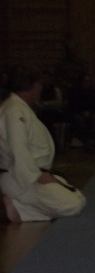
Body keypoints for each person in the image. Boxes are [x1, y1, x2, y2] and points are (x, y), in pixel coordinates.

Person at [0, 66, 86, 223]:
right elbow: (18, 149)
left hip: (30, 174)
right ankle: (18, 207)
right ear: (33, 86)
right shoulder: (14, 110)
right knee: (73, 206)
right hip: (21, 178)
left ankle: (21, 207)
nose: (40, 88)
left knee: (79, 197)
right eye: (39, 84)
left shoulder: (17, 107)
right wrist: (37, 176)